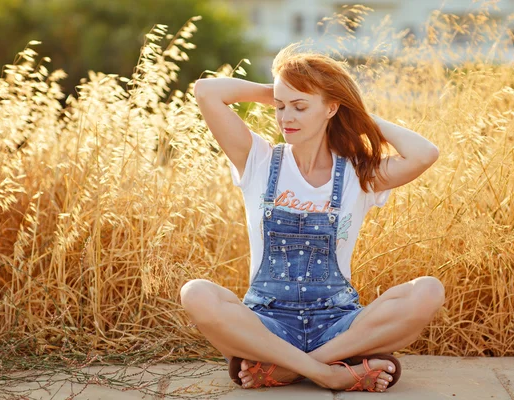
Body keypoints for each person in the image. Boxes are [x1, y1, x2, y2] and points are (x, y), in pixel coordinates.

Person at [180, 43, 445, 393]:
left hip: (339, 323)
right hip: (267, 324)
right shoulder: (257, 160)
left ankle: (289, 368)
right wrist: (283, 89)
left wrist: (356, 112)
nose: (286, 118)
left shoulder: (357, 173)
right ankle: (331, 372)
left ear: (331, 108)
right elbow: (207, 91)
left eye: (300, 107)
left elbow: (425, 153)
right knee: (196, 293)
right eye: (280, 106)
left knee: (428, 291)